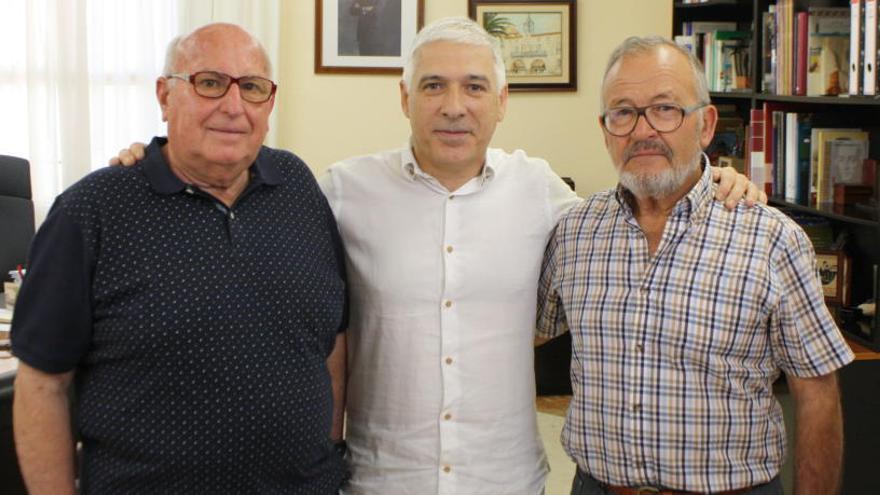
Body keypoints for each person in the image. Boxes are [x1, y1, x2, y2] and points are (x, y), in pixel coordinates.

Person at [110, 18, 762, 495]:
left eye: (475, 87)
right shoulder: (339, 190)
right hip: (378, 480)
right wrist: (151, 159)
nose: (454, 106)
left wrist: (720, 180)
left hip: (505, 480)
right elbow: (238, 191)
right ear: (404, 98)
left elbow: (635, 219)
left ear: (503, 103)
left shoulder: (544, 194)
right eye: (433, 87)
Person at [11, 23, 349, 494]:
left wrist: (329, 455)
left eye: (251, 88)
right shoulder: (92, 211)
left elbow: (331, 337)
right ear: (165, 96)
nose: (233, 107)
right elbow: (41, 383)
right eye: (209, 83)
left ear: (269, 104)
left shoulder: (297, 187)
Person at [536, 36, 855, 495]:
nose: (642, 130)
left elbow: (818, 392)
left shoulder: (771, 240)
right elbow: (526, 331)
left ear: (705, 125)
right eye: (622, 112)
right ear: (605, 129)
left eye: (665, 109)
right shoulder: (573, 233)